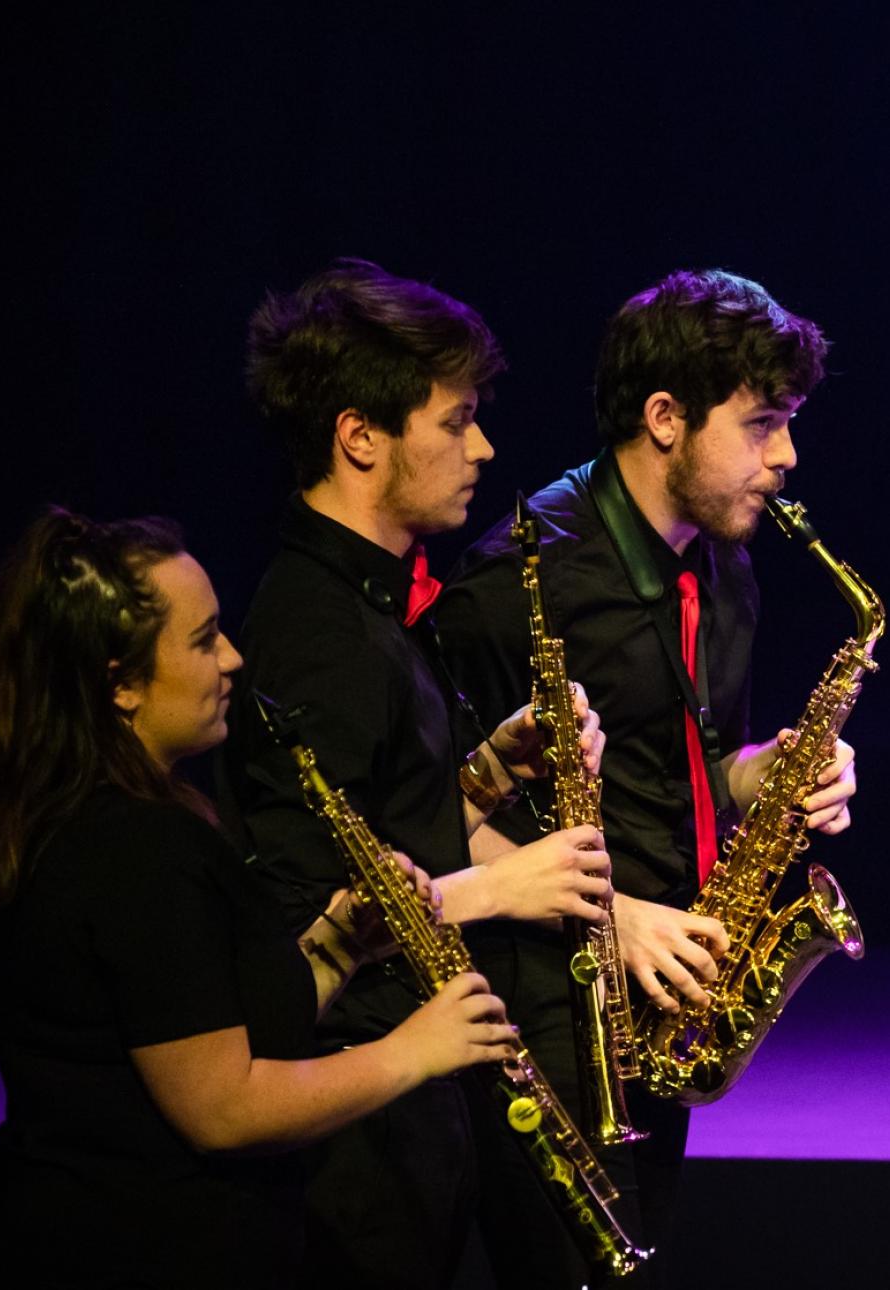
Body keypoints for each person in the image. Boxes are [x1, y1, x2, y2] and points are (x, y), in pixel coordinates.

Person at [0, 507, 519, 1289]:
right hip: (121, 1251)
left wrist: (342, 941)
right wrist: (413, 1052)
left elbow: (213, 1021)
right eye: (203, 640)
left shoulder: (124, 816)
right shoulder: (132, 848)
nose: (234, 659)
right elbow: (223, 1109)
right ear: (121, 685)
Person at [436, 268, 858, 1287]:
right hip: (541, 1008)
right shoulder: (515, 585)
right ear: (664, 418)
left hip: (661, 1004)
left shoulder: (724, 562)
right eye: (762, 423)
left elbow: (703, 764)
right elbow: (422, 811)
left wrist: (784, 772)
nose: (787, 456)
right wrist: (611, 916)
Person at [218, 258, 611, 1290]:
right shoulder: (318, 627)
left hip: (409, 1097)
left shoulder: (373, 606)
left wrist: (482, 775)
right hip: (350, 1129)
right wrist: (497, 886)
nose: (481, 446)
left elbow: (374, 820)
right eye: (455, 420)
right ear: (360, 437)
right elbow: (300, 917)